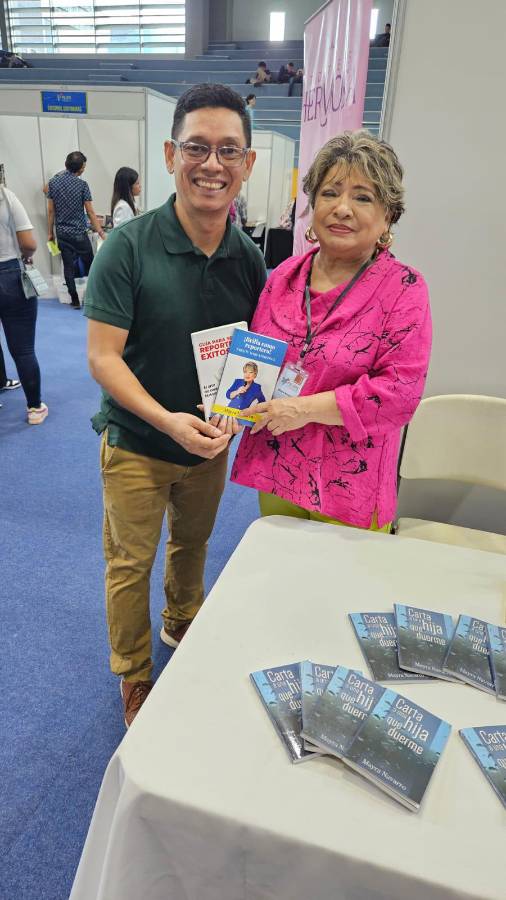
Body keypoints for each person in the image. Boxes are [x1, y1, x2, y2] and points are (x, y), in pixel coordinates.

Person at [84, 83, 265, 727]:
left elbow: (254, 357)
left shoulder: (249, 259)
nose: (211, 164)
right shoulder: (126, 248)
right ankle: (133, 674)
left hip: (209, 446)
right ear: (170, 154)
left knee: (193, 544)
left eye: (227, 151)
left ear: (246, 164)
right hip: (136, 442)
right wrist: (166, 422)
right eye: (196, 147)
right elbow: (103, 359)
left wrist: (229, 419)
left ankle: (183, 624)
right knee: (129, 565)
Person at [231, 130, 432, 533]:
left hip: (348, 484)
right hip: (277, 467)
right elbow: (256, 360)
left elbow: (398, 396)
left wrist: (302, 409)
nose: (342, 209)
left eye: (362, 197)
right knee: (280, 577)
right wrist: (230, 404)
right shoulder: (284, 278)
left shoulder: (404, 289)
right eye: (330, 193)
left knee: (341, 593)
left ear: (388, 215)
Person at [0, 185, 47, 424]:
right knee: (23, 350)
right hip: (9, 274)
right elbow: (28, 243)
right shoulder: (6, 196)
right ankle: (35, 408)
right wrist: (26, 256)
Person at [47, 151, 106, 309]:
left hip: (62, 233)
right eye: (84, 166)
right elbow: (91, 212)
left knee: (68, 266)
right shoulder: (82, 185)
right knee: (92, 264)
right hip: (79, 233)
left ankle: (74, 299)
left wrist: (49, 233)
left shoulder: (53, 183)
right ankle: (96, 296)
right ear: (80, 169)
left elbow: (51, 211)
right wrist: (100, 231)